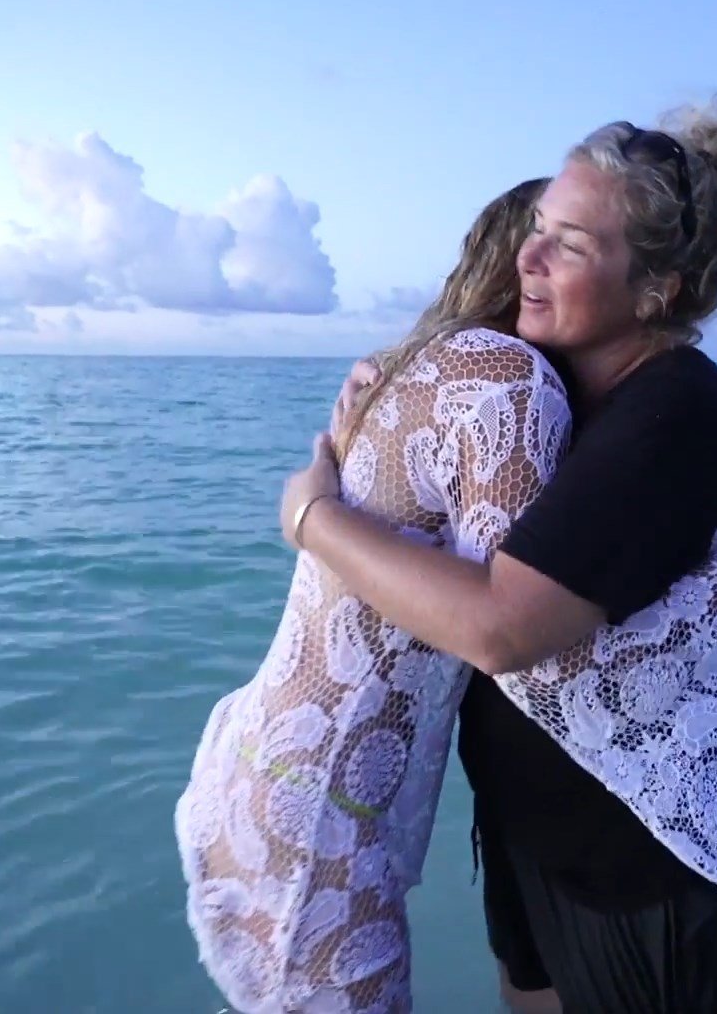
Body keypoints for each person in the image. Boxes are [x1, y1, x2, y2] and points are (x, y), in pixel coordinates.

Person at [284, 95, 717, 1013]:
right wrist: (380, 409)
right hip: (535, 838)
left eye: (571, 246)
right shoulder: (558, 389)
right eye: (537, 228)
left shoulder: (671, 414)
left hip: (648, 876)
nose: (529, 257)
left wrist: (314, 518)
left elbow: (503, 628)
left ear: (657, 289)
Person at [175, 178, 575, 1013]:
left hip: (264, 769)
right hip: (317, 818)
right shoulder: (509, 380)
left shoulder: (407, 369)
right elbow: (510, 626)